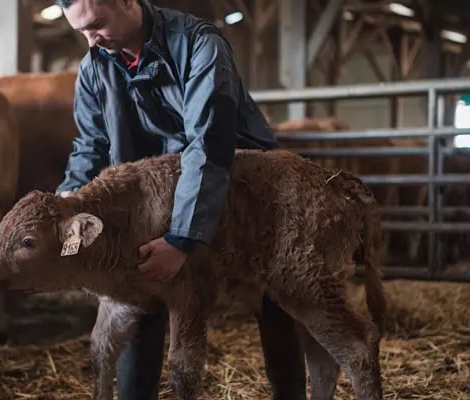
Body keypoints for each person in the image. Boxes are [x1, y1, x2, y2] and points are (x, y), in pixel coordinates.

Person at [54, 0, 308, 398]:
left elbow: (207, 145)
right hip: (152, 199)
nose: (91, 40)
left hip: (242, 188)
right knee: (138, 291)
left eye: (97, 24)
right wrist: (69, 198)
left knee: (276, 294)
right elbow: (91, 144)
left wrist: (182, 238)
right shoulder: (94, 67)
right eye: (81, 31)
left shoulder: (199, 45)